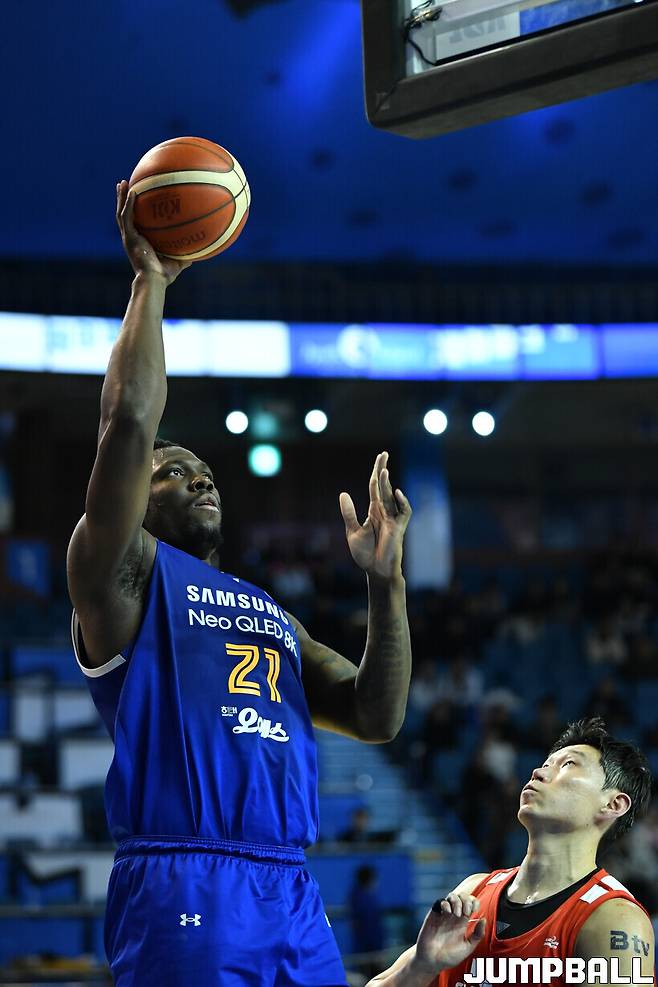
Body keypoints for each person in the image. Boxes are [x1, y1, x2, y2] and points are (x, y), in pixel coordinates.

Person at [66, 182, 413, 987]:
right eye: (172, 472)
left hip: (288, 884)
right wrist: (151, 282)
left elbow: (377, 714)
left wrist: (387, 585)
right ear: (133, 496)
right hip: (183, 875)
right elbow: (127, 423)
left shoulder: (271, 615)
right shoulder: (121, 572)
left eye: (207, 472)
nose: (199, 478)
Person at [366, 718, 655, 987]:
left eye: (568, 764)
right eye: (545, 763)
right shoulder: (473, 891)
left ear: (613, 804)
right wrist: (422, 966)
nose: (539, 772)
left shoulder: (614, 921)